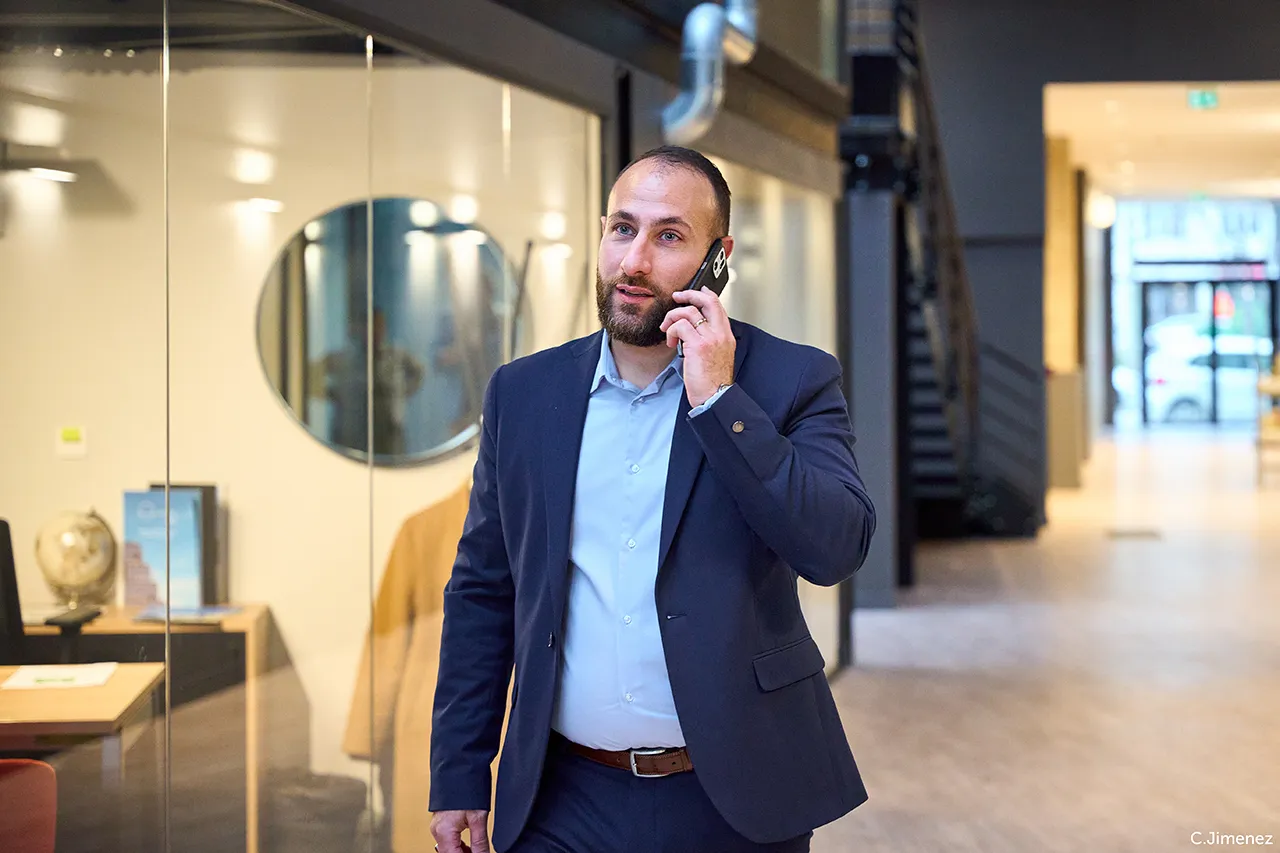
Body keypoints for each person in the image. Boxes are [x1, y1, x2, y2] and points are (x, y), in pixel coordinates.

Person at [429, 146, 876, 853]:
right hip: (561, 797)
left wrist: (722, 401)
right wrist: (458, 772)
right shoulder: (523, 393)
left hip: (734, 798)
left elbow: (834, 547)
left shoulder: (792, 379)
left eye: (669, 236)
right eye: (622, 229)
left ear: (718, 257)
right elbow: (485, 589)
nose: (634, 261)